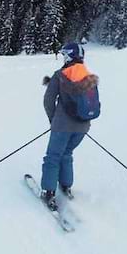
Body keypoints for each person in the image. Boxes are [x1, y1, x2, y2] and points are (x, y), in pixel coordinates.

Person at [40, 42, 99, 211]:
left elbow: (48, 101)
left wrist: (54, 120)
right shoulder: (88, 76)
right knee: (67, 153)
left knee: (53, 156)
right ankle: (66, 186)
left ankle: (49, 192)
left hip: (62, 126)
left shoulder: (60, 75)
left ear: (69, 56)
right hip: (82, 127)